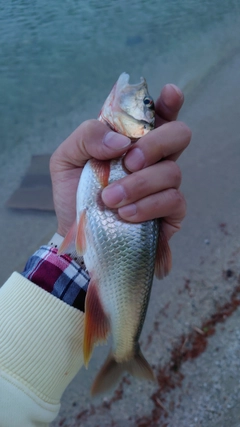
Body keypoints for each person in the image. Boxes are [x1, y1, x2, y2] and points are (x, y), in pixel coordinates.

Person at [0, 84, 191, 427]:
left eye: (143, 102)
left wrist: (72, 244)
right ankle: (125, 351)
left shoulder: (119, 148)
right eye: (145, 102)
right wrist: (75, 240)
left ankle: (125, 350)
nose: (138, 96)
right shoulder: (111, 147)